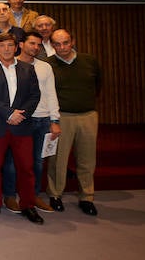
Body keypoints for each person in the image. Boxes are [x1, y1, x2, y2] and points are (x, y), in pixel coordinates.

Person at [0, 32, 43, 224]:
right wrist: (9, 113)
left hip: (21, 125)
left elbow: (34, 95)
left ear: (16, 48)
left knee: (26, 168)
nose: (6, 49)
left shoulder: (27, 69)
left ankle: (28, 205)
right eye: (2, 46)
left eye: (10, 45)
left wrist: (21, 115)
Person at [45, 29, 102, 216]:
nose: (62, 47)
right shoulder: (48, 65)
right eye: (58, 44)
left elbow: (98, 85)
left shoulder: (89, 61)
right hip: (62, 117)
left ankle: (87, 197)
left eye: (66, 42)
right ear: (52, 45)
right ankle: (55, 194)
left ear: (73, 41)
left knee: (87, 159)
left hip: (88, 116)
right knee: (58, 159)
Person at [17, 31, 61, 213]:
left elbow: (51, 93)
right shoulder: (11, 64)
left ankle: (34, 196)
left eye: (38, 45)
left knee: (37, 162)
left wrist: (54, 119)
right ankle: (14, 195)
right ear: (21, 44)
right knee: (16, 161)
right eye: (32, 43)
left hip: (43, 120)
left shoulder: (45, 67)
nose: (35, 47)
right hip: (21, 120)